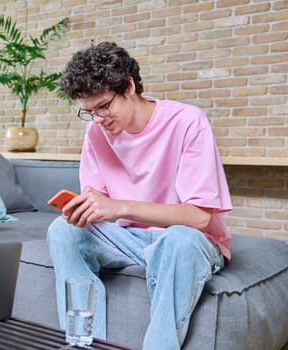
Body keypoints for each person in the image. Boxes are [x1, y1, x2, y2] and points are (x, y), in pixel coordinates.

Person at [47, 42, 232, 349]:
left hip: (185, 240)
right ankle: (86, 345)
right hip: (128, 239)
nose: (98, 119)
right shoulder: (96, 133)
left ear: (129, 86)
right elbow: (98, 205)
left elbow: (199, 217)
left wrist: (119, 207)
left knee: (179, 241)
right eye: (88, 112)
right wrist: (84, 209)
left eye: (104, 106)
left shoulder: (187, 121)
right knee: (62, 230)